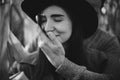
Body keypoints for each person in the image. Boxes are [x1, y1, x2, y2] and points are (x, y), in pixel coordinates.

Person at [9, 0, 120, 80]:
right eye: (42, 20)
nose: (47, 28)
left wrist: (63, 64)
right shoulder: (25, 66)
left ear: (75, 24)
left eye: (57, 19)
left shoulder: (100, 62)